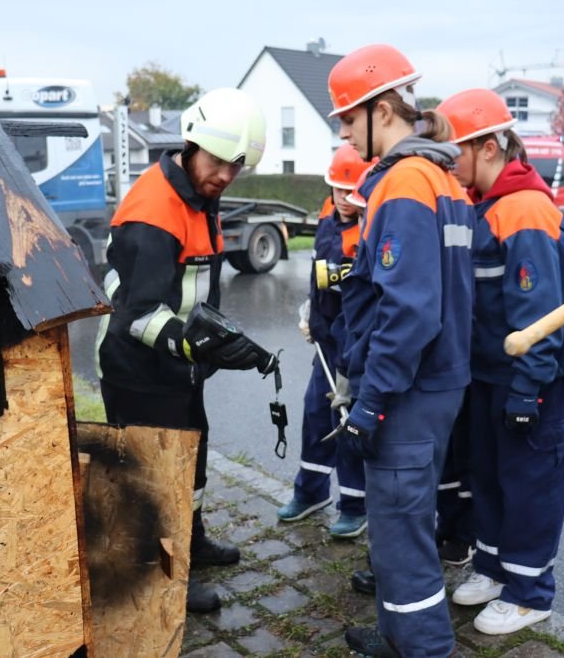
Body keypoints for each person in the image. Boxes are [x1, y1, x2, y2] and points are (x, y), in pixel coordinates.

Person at [95, 87, 272, 614]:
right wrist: (199, 344)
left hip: (177, 368)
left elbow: (192, 292)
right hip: (139, 371)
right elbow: (137, 313)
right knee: (155, 478)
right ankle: (163, 574)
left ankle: (191, 544)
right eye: (218, 162)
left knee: (190, 464)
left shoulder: (199, 195)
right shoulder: (154, 211)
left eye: (235, 167)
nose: (225, 175)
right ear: (192, 145)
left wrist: (214, 342)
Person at [328, 43, 474, 658]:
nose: (343, 133)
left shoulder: (406, 181)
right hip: (434, 382)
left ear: (381, 110)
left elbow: (409, 310)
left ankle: (422, 648)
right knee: (399, 527)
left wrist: (372, 399)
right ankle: (396, 638)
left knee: (399, 535)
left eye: (347, 119)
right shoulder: (442, 178)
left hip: (409, 390)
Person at [436, 89, 564, 635]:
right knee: (490, 477)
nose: (450, 163)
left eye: (456, 151)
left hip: (530, 380)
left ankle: (530, 593)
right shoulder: (486, 205)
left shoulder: (524, 209)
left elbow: (539, 312)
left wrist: (527, 387)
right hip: (489, 376)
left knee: (529, 484)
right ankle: (496, 570)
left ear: (490, 147)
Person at [279, 144, 369, 538]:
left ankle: (355, 505)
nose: (345, 200)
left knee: (347, 424)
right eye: (339, 190)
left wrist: (354, 360)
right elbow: (321, 275)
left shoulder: (370, 229)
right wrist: (310, 311)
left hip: (354, 345)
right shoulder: (327, 216)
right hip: (326, 340)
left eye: (353, 192)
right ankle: (310, 492)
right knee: (316, 414)